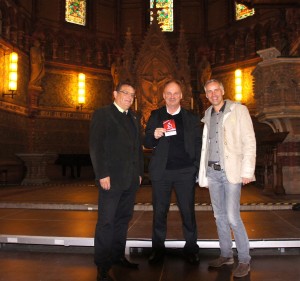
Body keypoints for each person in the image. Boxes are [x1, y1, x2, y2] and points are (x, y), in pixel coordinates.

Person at [198, 79, 256, 278]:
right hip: (213, 172)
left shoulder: (238, 110)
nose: (213, 94)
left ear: (223, 91)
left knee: (232, 216)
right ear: (206, 95)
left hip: (231, 171)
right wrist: (204, 172)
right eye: (209, 92)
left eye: (216, 90)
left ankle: (245, 259)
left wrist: (247, 171)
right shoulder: (207, 115)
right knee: (219, 216)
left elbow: (249, 140)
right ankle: (225, 255)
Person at [90, 81, 144, 281]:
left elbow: (137, 147)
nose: (130, 97)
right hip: (110, 179)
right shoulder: (103, 114)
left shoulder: (134, 117)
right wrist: (102, 173)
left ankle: (118, 256)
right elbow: (96, 146)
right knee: (106, 222)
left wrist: (139, 172)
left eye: (132, 95)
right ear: (115, 93)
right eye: (126, 93)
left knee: (123, 220)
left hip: (130, 179)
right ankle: (102, 265)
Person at [144, 79, 201, 265]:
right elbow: (147, 143)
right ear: (163, 96)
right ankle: (158, 249)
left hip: (185, 172)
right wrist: (154, 135)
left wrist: (197, 168)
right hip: (162, 173)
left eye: (175, 93)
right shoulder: (155, 115)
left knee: (187, 212)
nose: (172, 96)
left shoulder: (191, 118)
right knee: (160, 212)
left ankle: (191, 248)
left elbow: (198, 145)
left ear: (181, 96)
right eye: (168, 93)